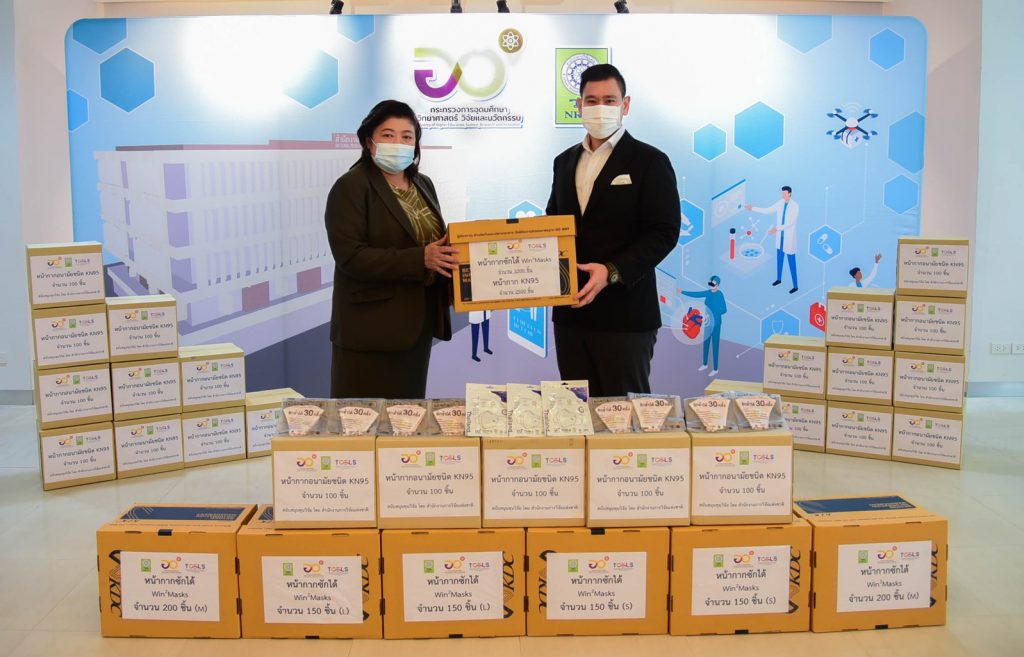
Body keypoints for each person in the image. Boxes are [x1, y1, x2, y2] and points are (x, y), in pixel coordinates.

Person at [545, 64, 681, 396]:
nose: (600, 108)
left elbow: (664, 231)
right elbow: (553, 224)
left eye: (609, 100)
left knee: (623, 418)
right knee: (575, 412)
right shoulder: (564, 162)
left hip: (626, 316)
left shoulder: (649, 161)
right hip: (571, 314)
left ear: (625, 104)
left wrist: (611, 271)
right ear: (579, 106)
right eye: (591, 101)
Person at [324, 100, 458, 398]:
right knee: (363, 421)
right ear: (368, 141)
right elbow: (350, 257)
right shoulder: (351, 186)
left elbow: (433, 245)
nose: (398, 143)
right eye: (388, 135)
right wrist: (421, 259)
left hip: (417, 328)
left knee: (407, 419)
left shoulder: (423, 184)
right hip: (369, 332)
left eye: (407, 136)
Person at [746, 185, 799, 293]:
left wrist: (776, 229)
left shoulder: (795, 206)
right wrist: (753, 208)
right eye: (782, 193)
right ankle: (779, 279)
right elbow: (767, 210)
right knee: (779, 260)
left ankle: (795, 285)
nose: (782, 195)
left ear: (790, 193)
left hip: (788, 238)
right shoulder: (780, 203)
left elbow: (791, 222)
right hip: (780, 238)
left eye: (784, 193)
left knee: (791, 262)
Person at [680, 275, 727, 376]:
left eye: (713, 283)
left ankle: (715, 369)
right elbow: (697, 294)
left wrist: (712, 313)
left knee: (715, 345)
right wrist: (682, 292)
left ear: (717, 284)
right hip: (707, 322)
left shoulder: (720, 294)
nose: (711, 284)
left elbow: (724, 309)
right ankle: (705, 364)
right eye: (710, 282)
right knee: (706, 343)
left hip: (716, 323)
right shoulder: (708, 293)